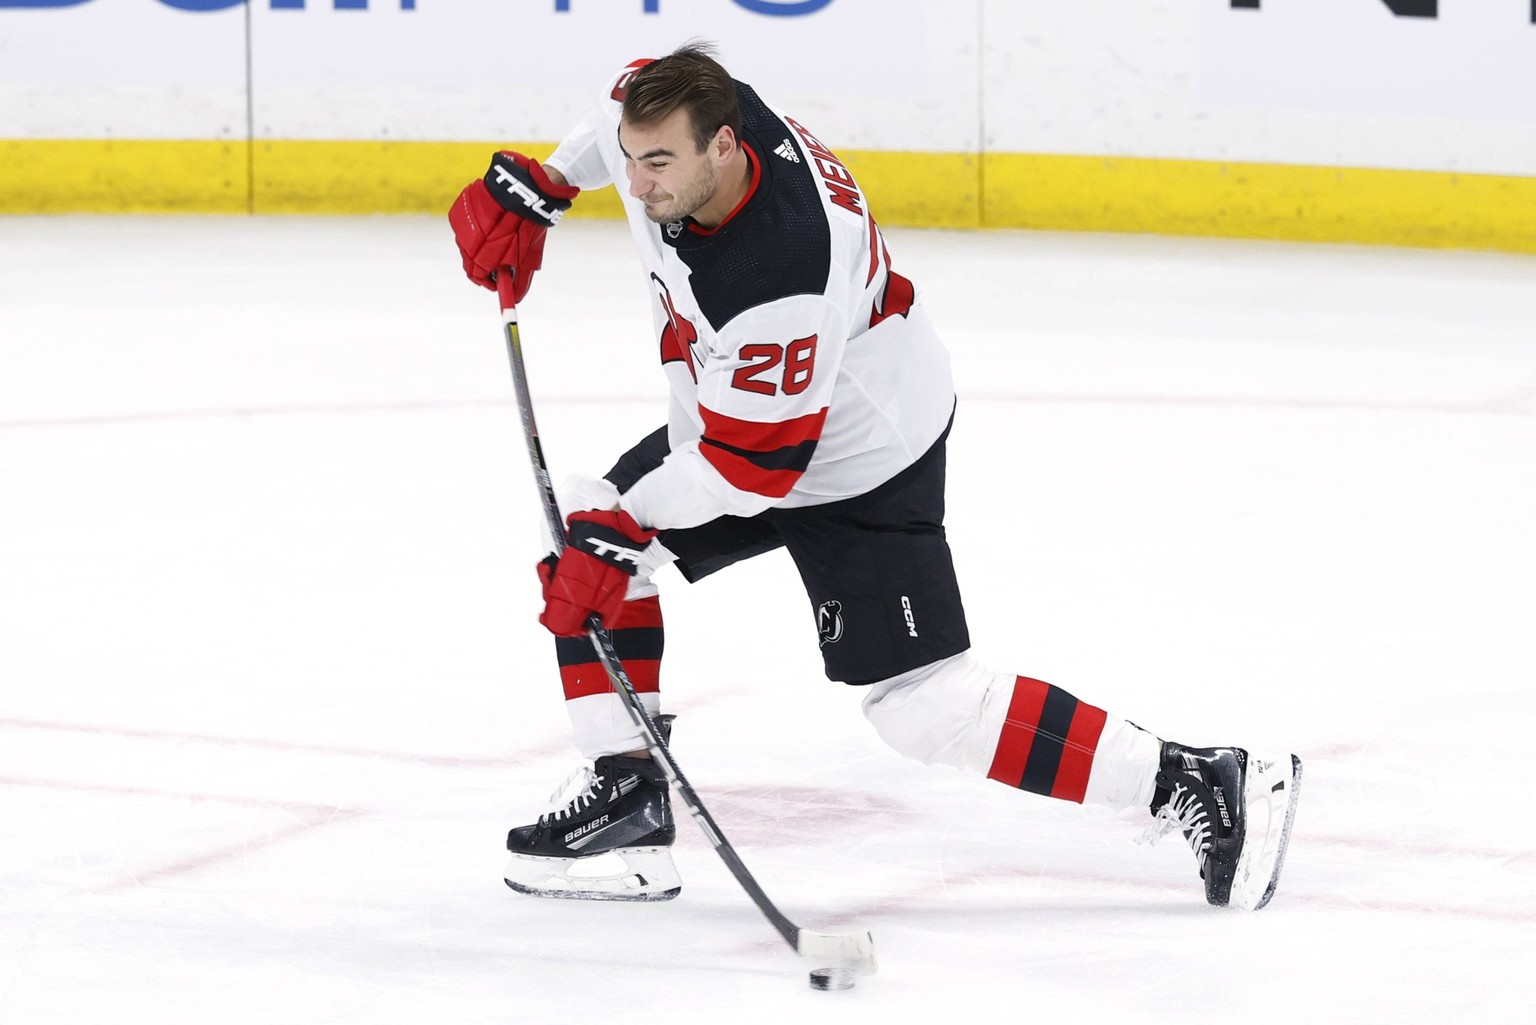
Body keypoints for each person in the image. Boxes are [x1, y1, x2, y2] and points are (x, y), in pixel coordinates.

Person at [448, 42, 1301, 910]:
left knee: (922, 704)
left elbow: (748, 471)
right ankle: (627, 798)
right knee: (590, 523)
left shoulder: (784, 264)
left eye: (657, 163)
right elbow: (609, 117)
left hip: (858, 456)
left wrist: (621, 537)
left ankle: (1198, 777)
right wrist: (547, 187)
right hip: (748, 418)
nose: (636, 185)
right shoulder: (677, 113)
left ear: (725, 146)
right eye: (630, 160)